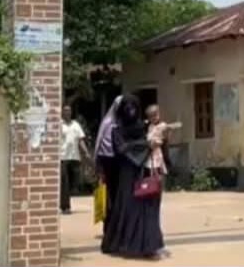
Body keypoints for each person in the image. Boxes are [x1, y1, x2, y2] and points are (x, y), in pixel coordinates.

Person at [101, 95, 166, 259]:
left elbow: (155, 141)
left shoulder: (143, 126)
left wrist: (151, 144)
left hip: (144, 171)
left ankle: (148, 245)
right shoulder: (116, 129)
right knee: (127, 208)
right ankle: (126, 244)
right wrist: (145, 145)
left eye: (133, 107)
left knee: (147, 210)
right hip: (127, 174)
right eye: (127, 107)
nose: (130, 111)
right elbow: (122, 149)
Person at [94, 96, 124, 224]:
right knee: (104, 190)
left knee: (117, 190)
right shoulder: (107, 122)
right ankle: (106, 219)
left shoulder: (124, 122)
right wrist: (96, 161)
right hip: (105, 159)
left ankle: (117, 220)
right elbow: (99, 140)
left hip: (118, 160)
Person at [60, 105, 88, 215]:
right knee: (65, 182)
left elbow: (81, 140)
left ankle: (63, 202)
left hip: (74, 157)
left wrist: (85, 152)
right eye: (65, 110)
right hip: (63, 157)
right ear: (62, 112)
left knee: (73, 183)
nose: (67, 112)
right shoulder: (59, 125)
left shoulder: (76, 125)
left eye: (69, 111)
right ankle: (65, 207)